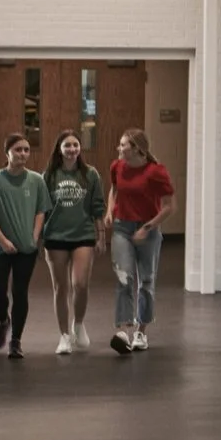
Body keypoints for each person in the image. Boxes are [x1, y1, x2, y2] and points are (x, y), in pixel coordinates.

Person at [0, 132, 51, 358]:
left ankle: (16, 341)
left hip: (26, 249)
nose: (23, 154)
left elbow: (41, 210)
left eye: (26, 150)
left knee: (20, 292)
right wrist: (2, 240)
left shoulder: (36, 180)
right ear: (7, 152)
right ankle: (2, 320)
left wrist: (35, 236)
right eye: (18, 149)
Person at [105, 127, 176, 355]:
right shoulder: (117, 167)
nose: (119, 148)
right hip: (122, 228)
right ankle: (124, 331)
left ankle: (141, 332)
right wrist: (109, 212)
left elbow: (169, 207)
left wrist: (147, 227)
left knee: (146, 281)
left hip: (148, 229)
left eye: (123, 144)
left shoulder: (156, 172)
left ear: (136, 148)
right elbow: (114, 189)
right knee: (124, 278)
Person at [39, 130, 106, 356]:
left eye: (75, 145)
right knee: (61, 288)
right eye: (67, 145)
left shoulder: (90, 174)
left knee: (80, 284)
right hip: (55, 237)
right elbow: (41, 210)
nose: (72, 149)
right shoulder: (48, 176)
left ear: (80, 148)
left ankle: (78, 323)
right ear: (59, 149)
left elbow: (98, 207)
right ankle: (64, 336)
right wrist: (38, 236)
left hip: (83, 236)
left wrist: (101, 236)